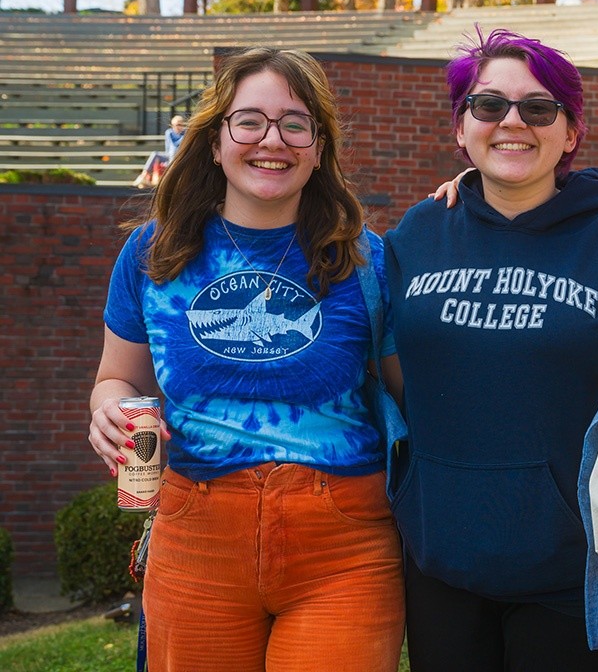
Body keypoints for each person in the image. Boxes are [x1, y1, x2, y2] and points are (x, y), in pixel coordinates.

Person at [88, 47, 405, 672]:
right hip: (195, 533)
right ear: (215, 140)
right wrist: (109, 409)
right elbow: (117, 378)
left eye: (295, 123)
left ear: (318, 146)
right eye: (249, 120)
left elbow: (411, 393)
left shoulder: (365, 260)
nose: (272, 140)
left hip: (343, 542)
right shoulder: (154, 252)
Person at [384, 28, 598, 672]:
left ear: (571, 131)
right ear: (461, 126)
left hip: (575, 574)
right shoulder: (416, 233)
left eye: (538, 108)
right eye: (488, 106)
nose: (513, 121)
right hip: (440, 566)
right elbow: (392, 372)